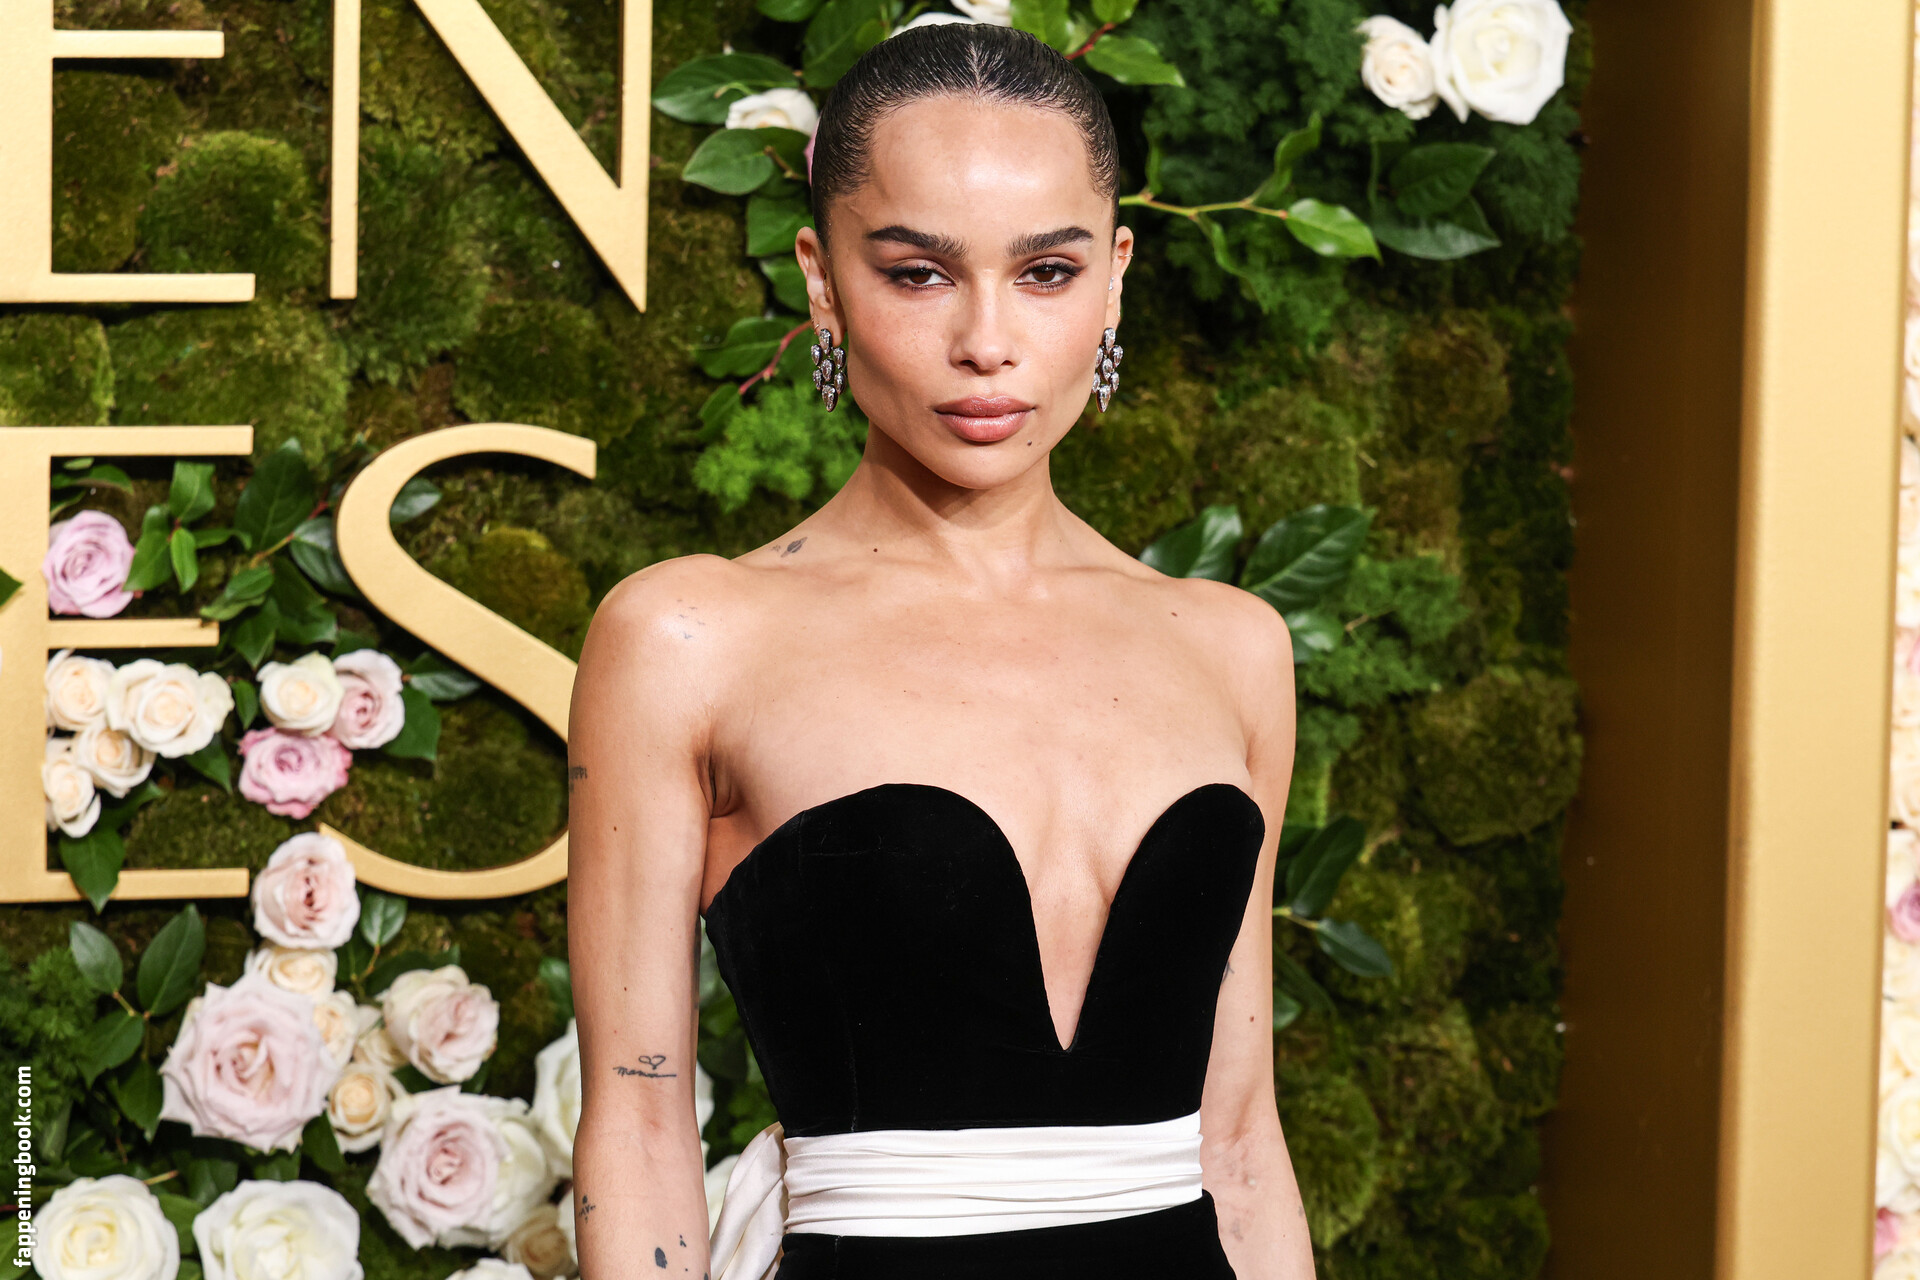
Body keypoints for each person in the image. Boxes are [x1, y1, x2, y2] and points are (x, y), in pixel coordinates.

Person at [565, 22, 1311, 1280]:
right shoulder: (687, 638)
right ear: (822, 281)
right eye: (918, 273)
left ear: (1116, 276)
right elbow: (639, 1130)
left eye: (1047, 271)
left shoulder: (1232, 646)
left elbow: (1239, 1141)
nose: (986, 341)